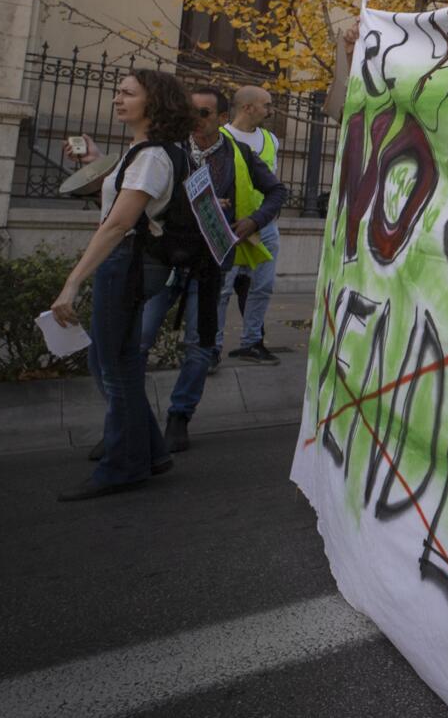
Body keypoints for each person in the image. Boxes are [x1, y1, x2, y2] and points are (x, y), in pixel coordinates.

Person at [51, 69, 197, 501]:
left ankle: (123, 466)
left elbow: (117, 223)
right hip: (132, 262)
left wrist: (71, 284)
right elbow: (117, 197)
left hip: (128, 262)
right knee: (114, 360)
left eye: (128, 93)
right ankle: (149, 452)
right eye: (117, 92)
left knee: (112, 365)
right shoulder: (145, 151)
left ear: (154, 103)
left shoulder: (152, 155)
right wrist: (95, 160)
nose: (118, 99)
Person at [138, 84, 289, 453]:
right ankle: (130, 419)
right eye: (191, 111)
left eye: (203, 113)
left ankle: (179, 417)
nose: (194, 119)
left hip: (209, 264)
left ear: (221, 119)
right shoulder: (168, 152)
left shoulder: (236, 154)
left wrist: (253, 221)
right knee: (137, 340)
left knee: (199, 345)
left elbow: (277, 192)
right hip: (165, 262)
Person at [220, 84, 283, 365]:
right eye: (267, 104)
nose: (271, 110)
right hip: (229, 225)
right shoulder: (220, 138)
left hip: (264, 225)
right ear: (248, 107)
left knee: (263, 286)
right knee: (222, 289)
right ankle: (212, 346)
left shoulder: (271, 140)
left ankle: (252, 342)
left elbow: (273, 185)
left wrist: (260, 218)